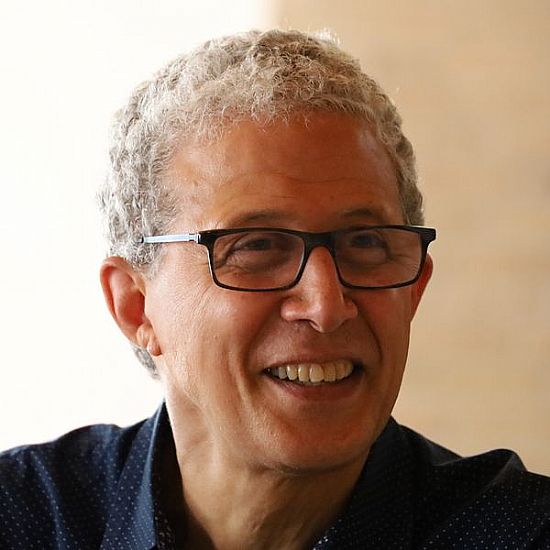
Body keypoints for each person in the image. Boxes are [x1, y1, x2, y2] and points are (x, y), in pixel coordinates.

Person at [0, 29, 549, 550]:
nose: (326, 306)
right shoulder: (22, 518)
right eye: (257, 246)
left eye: (365, 242)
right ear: (136, 305)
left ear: (414, 290)